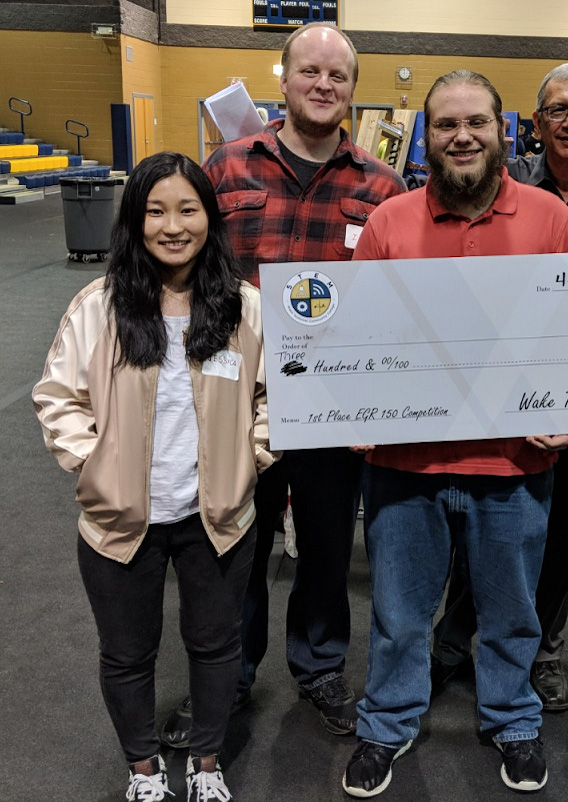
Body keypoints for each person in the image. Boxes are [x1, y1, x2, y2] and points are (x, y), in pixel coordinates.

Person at [341, 69, 568, 798]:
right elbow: (360, 338)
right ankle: (387, 722)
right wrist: (349, 410)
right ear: (427, 136)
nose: (462, 136)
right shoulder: (389, 222)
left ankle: (512, 719)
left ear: (503, 131)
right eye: (445, 124)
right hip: (405, 465)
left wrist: (565, 413)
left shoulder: (545, 218)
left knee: (510, 612)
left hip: (513, 465)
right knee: (400, 616)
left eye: (476, 122)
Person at [158, 22, 406, 748]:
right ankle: (227, 677)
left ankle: (320, 667)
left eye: (337, 76)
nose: (323, 85)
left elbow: (396, 299)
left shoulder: (382, 186)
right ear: (285, 80)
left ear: (352, 91)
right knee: (234, 542)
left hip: (333, 403)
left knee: (328, 543)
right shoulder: (227, 167)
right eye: (310, 72)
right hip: (240, 400)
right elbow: (188, 273)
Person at [33, 152, 274, 801]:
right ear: (135, 219)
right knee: (127, 652)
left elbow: (273, 394)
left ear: (209, 216)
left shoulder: (243, 307)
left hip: (216, 516)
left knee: (215, 645)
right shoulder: (100, 305)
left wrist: (250, 458)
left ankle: (205, 764)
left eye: (187, 209)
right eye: (156, 210)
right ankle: (142, 770)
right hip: (119, 518)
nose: (173, 225)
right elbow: (57, 396)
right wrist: (95, 466)